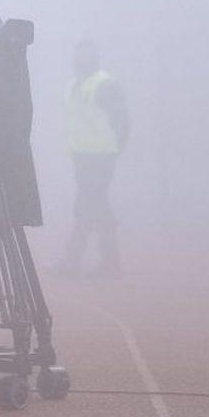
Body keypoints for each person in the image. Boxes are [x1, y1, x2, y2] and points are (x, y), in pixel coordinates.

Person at [57, 40, 130, 278]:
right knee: (97, 206)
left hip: (101, 157)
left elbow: (122, 120)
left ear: (94, 59)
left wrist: (115, 151)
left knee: (86, 205)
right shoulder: (73, 86)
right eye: (79, 56)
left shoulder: (104, 85)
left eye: (86, 56)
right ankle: (109, 262)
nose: (81, 60)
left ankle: (74, 261)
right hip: (82, 156)